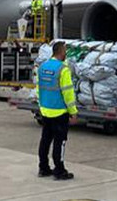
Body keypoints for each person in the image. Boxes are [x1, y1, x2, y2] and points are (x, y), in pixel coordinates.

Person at [36, 40, 78, 180]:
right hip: (59, 112)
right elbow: (68, 93)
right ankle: (59, 171)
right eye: (65, 51)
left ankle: (43, 168)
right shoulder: (63, 69)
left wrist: (41, 106)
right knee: (59, 143)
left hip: (45, 111)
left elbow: (38, 90)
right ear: (61, 52)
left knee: (45, 140)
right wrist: (73, 112)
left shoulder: (42, 67)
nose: (66, 53)